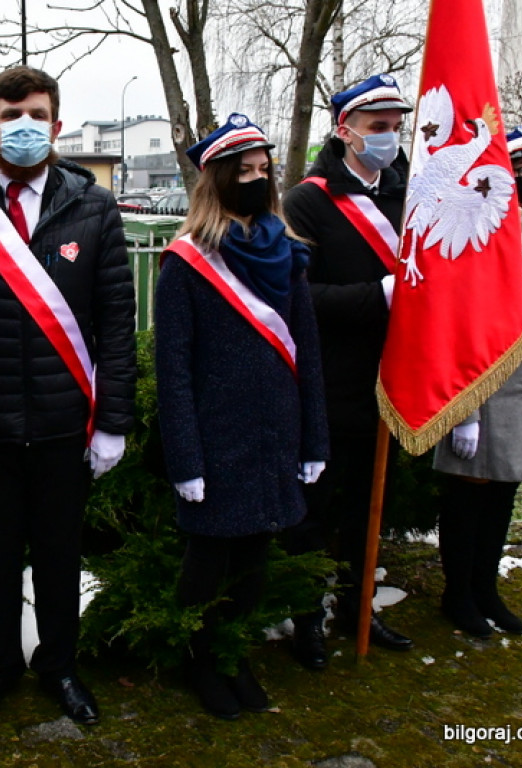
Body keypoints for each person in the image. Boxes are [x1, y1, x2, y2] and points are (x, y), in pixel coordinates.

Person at [0, 66, 136, 726]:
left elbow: (117, 319)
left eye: (36, 114)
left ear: (57, 123)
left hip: (61, 425)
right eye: (10, 114)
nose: (24, 126)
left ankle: (60, 667)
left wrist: (113, 423)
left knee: (57, 560)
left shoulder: (92, 205)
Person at [154, 114, 328, 720]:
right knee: (208, 565)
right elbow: (172, 370)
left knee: (254, 563)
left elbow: (306, 353)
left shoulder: (287, 255)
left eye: (263, 170)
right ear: (217, 180)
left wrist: (314, 440)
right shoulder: (186, 263)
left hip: (274, 435)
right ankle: (198, 659)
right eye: (243, 171)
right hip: (215, 439)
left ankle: (234, 654)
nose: (255, 180)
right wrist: (185, 459)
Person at [281, 73, 416, 669]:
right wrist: (378, 295)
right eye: (376, 127)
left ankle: (360, 606)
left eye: (394, 127)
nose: (388, 137)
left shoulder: (411, 193)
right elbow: (296, 297)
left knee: (369, 506)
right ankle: (307, 618)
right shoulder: (306, 201)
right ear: (344, 130)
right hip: (328, 380)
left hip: (391, 377)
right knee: (315, 511)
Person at [430, 125, 522, 638]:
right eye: (521, 166)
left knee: (506, 484)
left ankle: (485, 585)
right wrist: (467, 406)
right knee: (470, 485)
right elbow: (458, 311)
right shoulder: (478, 225)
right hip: (481, 365)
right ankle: (457, 593)